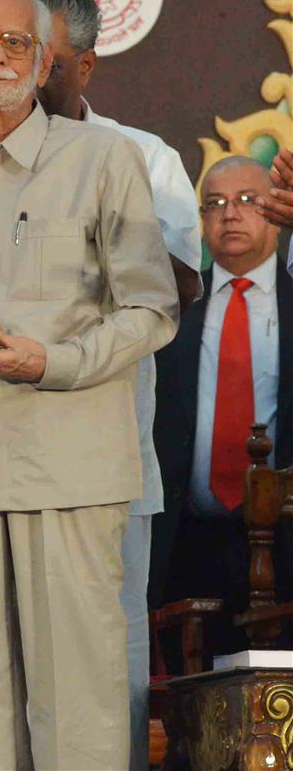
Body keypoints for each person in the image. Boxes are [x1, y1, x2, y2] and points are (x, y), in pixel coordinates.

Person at [0, 0, 201, 769]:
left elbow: (153, 310)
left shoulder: (106, 158)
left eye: (15, 42)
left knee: (81, 716)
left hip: (70, 466)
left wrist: (53, 361)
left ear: (45, 62)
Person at [151, 156, 292, 658]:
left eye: (248, 201)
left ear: (277, 211)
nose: (230, 214)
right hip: (191, 542)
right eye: (214, 204)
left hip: (285, 538)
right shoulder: (172, 310)